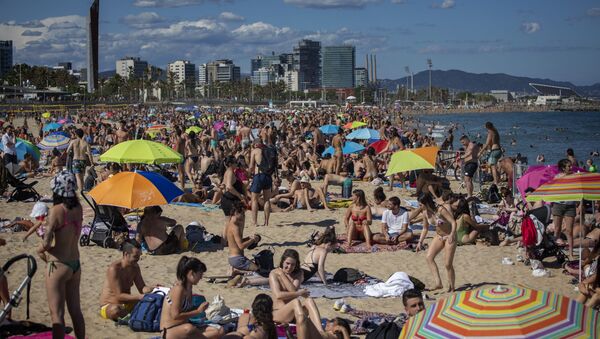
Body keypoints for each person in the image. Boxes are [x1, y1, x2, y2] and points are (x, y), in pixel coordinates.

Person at [37, 171, 85, 338]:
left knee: (57, 315)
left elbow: (46, 243)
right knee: (76, 312)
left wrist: (41, 248)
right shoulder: (78, 208)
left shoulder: (56, 210)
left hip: (58, 265)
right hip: (75, 265)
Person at [160, 256, 223, 339]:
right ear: (192, 273)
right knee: (189, 328)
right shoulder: (178, 289)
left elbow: (185, 310)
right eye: (200, 274)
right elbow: (175, 315)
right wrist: (198, 311)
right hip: (170, 330)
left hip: (184, 326)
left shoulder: (189, 288)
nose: (201, 277)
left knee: (219, 330)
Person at [99, 239, 155, 321]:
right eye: (135, 256)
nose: (138, 259)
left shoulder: (135, 267)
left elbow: (142, 288)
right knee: (115, 310)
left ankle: (130, 316)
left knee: (151, 303)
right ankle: (133, 316)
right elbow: (119, 296)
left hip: (127, 304)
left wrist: (152, 288)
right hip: (110, 305)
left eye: (139, 256)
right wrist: (140, 297)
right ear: (126, 254)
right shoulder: (114, 269)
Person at [415, 192, 457, 292]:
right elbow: (425, 228)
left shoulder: (440, 209)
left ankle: (452, 285)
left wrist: (451, 234)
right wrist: (420, 242)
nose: (419, 206)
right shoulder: (425, 212)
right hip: (439, 236)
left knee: (447, 264)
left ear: (426, 203)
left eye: (420, 204)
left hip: (449, 235)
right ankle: (438, 283)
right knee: (429, 257)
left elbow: (453, 222)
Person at [226, 199, 260, 275]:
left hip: (232, 258)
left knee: (256, 265)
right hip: (237, 259)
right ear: (236, 212)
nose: (243, 216)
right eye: (242, 214)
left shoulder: (230, 223)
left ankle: (236, 270)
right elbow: (241, 246)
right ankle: (237, 271)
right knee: (257, 270)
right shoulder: (235, 227)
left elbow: (236, 241)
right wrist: (252, 240)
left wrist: (248, 238)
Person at [552, 159, 576, 260]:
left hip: (570, 206)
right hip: (558, 204)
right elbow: (553, 189)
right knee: (557, 229)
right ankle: (554, 250)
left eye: (571, 166)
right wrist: (565, 176)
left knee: (569, 231)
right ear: (563, 168)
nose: (571, 168)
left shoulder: (575, 176)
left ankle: (570, 254)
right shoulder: (557, 177)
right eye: (569, 166)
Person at [249, 138, 276, 227]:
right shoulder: (269, 150)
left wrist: (249, 173)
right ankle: (266, 222)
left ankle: (255, 222)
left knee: (254, 200)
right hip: (268, 176)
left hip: (259, 176)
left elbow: (251, 166)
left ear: (256, 144)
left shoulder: (255, 151)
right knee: (267, 200)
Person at [66, 128, 93, 192]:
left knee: (77, 176)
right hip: (83, 160)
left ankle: (81, 190)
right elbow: (89, 154)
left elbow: (67, 151)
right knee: (82, 176)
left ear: (76, 134)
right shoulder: (86, 143)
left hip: (76, 160)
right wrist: (92, 163)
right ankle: (82, 189)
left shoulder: (73, 141)